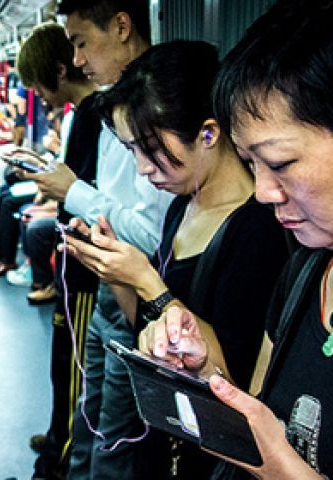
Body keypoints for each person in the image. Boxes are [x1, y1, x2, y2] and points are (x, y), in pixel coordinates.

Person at [66, 40, 289, 479]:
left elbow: (234, 379)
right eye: (132, 150)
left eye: (150, 148)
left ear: (208, 133)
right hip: (171, 438)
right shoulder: (181, 207)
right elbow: (147, 325)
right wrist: (114, 271)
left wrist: (147, 280)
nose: (143, 169)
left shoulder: (257, 229)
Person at [141, 1, 333, 478]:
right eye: (252, 165)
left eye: (281, 163)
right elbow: (261, 414)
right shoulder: (306, 271)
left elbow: (272, 457)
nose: (264, 192)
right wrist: (206, 376)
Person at [18, 1, 173, 478]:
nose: (78, 60)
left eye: (82, 41)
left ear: (122, 26)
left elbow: (149, 231)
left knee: (114, 441)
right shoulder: (110, 108)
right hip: (108, 287)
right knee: (91, 418)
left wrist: (75, 194)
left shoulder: (152, 112)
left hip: (130, 293)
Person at [15, 21, 99, 480]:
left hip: (87, 267)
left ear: (60, 71)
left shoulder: (94, 115)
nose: (36, 95)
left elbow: (88, 193)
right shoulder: (81, 116)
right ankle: (55, 440)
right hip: (74, 258)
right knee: (62, 368)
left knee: (74, 376)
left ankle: (56, 465)